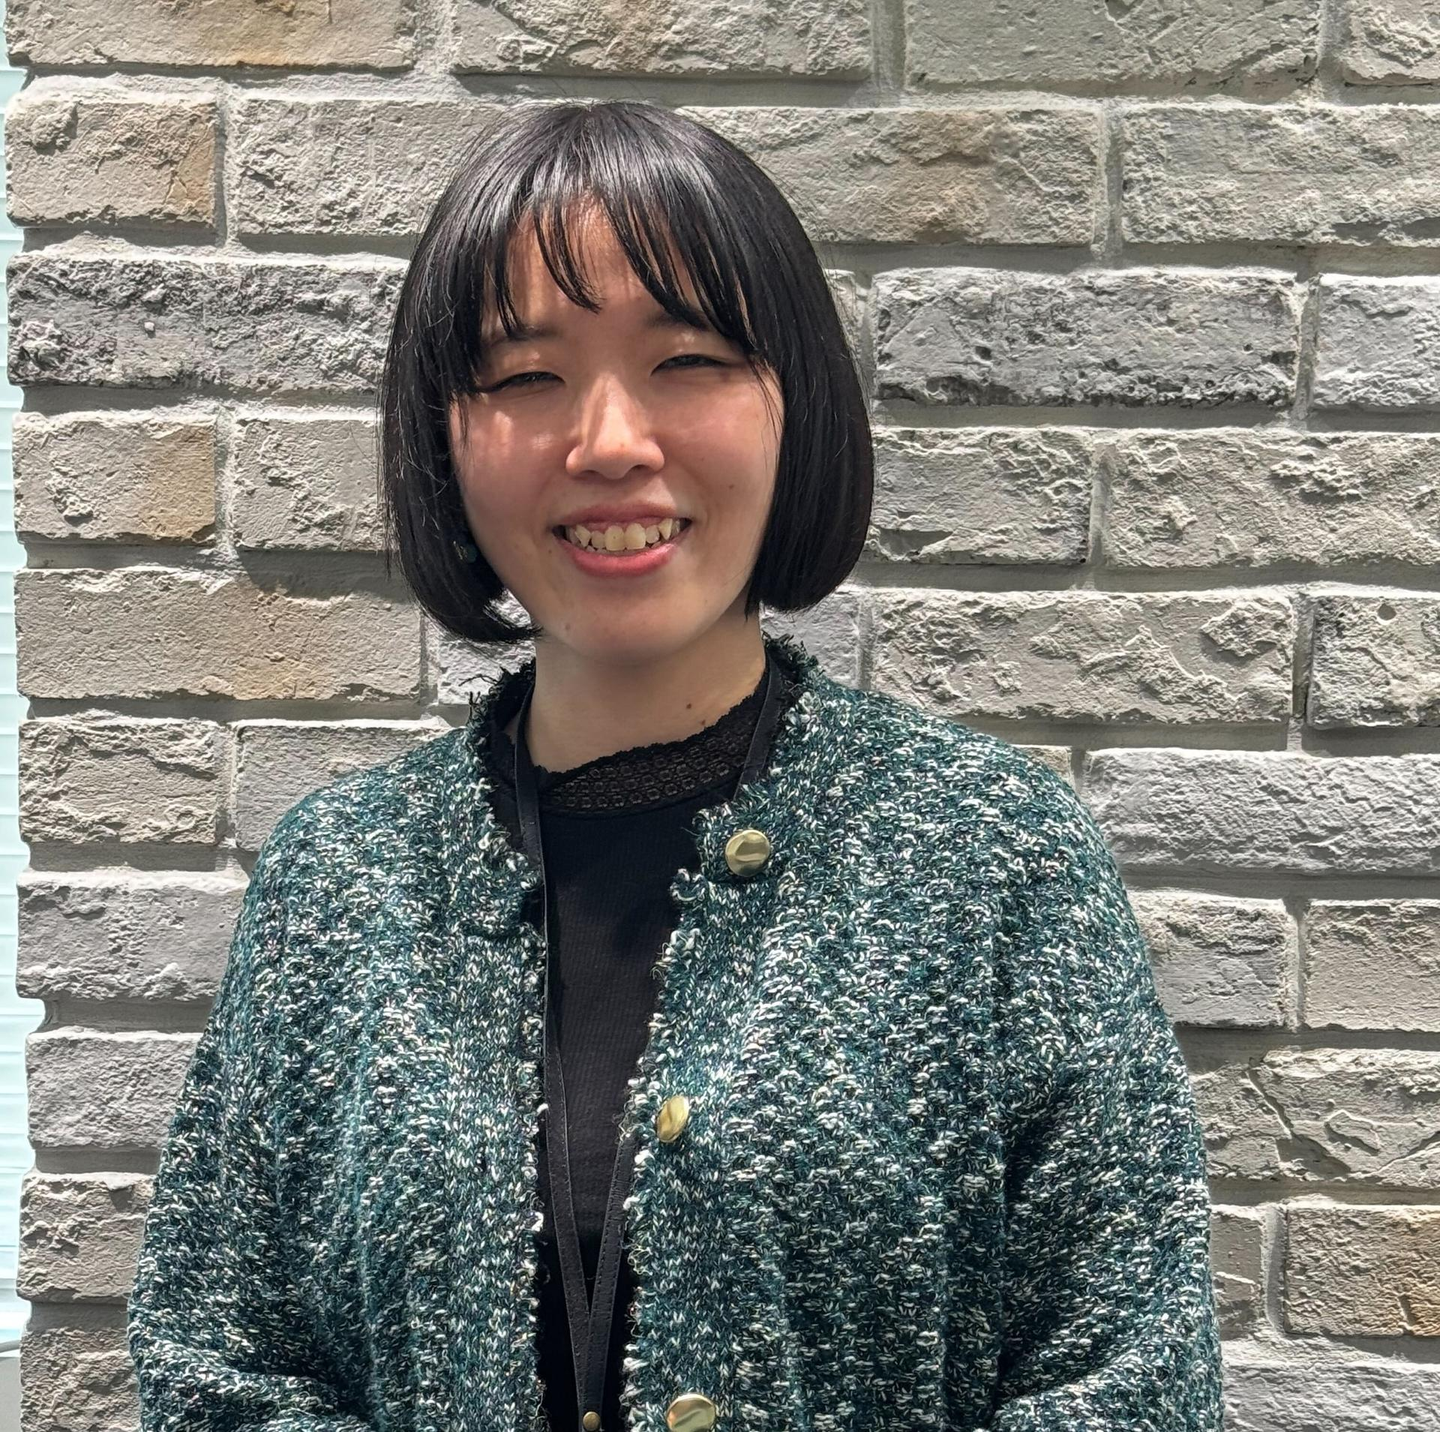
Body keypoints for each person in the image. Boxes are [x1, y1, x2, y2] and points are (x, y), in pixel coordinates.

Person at [126, 100, 1225, 1432]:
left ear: (794, 406)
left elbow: (1128, 1383)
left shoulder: (994, 858)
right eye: (525, 376)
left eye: (688, 359)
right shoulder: (340, 881)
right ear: (445, 437)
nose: (608, 441)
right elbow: (217, 1360)